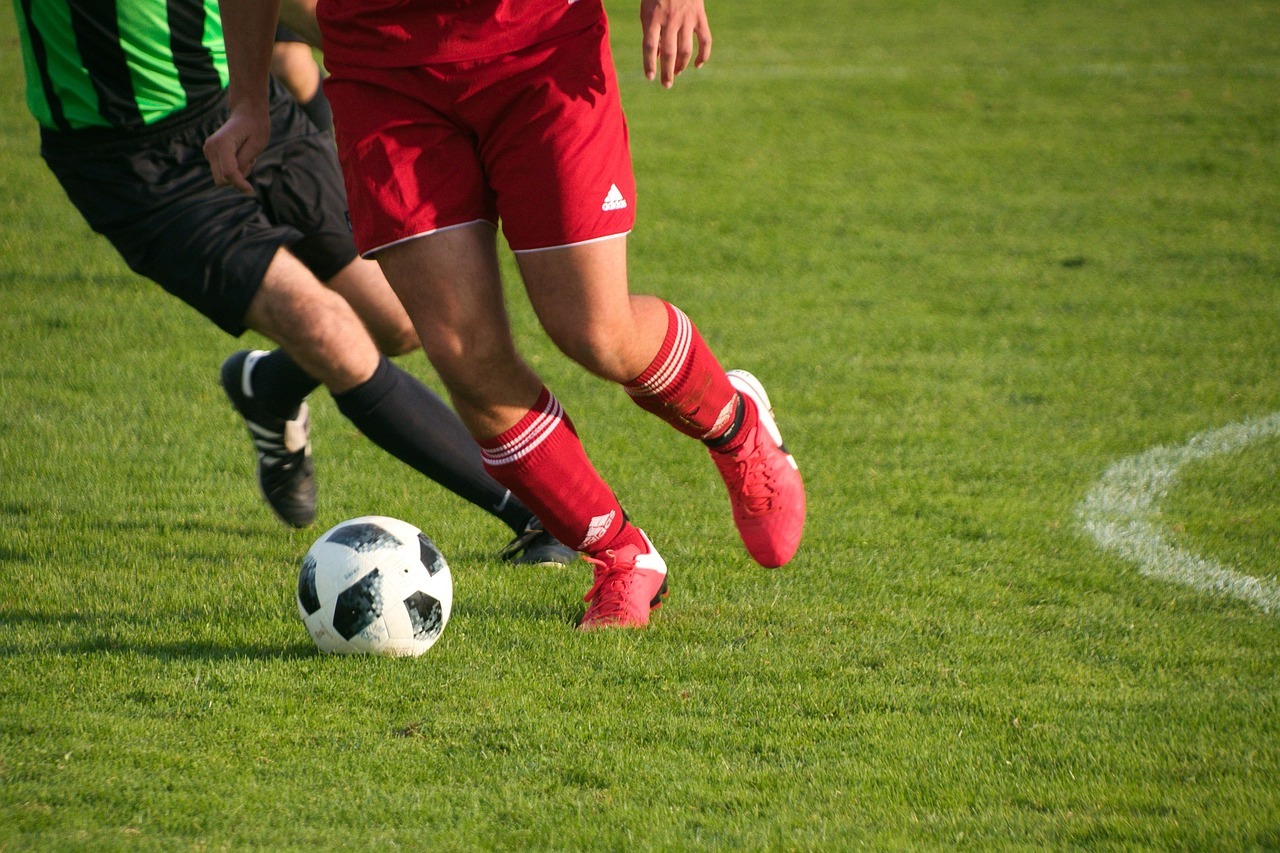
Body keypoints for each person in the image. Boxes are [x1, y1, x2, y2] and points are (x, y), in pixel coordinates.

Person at [207, 0, 807, 631]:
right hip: (384, 75)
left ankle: (736, 426)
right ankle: (621, 557)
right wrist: (248, 97)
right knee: (464, 354)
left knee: (594, 331)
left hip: (539, 46)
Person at [10, 0, 575, 567]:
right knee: (329, 331)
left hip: (244, 109)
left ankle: (268, 386)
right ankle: (535, 513)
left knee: (397, 318)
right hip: (131, 163)